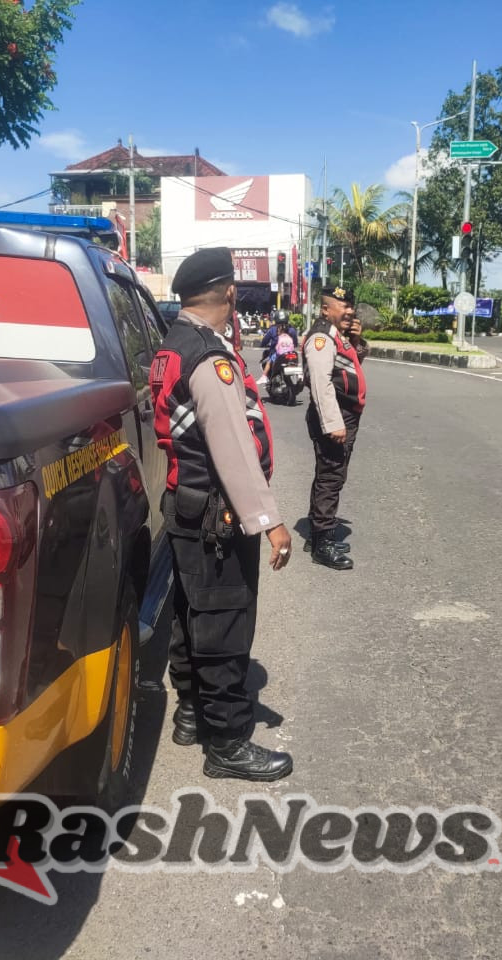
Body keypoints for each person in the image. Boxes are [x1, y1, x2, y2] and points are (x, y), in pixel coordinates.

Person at [149, 247, 294, 781]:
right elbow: (232, 449)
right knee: (225, 623)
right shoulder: (208, 357)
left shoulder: (172, 344)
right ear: (229, 292)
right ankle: (228, 743)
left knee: (193, 617)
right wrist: (270, 522)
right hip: (216, 515)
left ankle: (192, 712)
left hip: (186, 506)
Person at [303, 285, 366, 571]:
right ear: (326, 309)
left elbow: (351, 366)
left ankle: (317, 536)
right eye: (343, 306)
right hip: (334, 416)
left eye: (350, 306)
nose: (349, 311)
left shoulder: (337, 336)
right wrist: (333, 423)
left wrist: (357, 339)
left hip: (342, 416)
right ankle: (322, 545)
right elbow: (320, 382)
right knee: (331, 477)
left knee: (331, 476)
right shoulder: (321, 338)